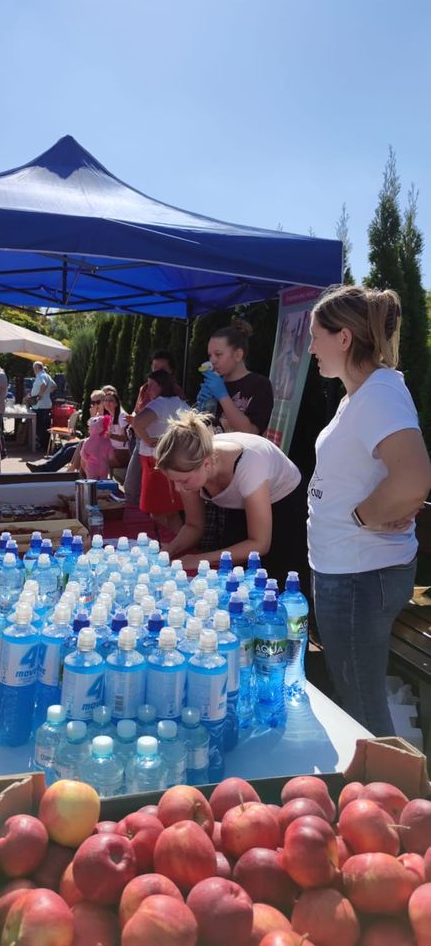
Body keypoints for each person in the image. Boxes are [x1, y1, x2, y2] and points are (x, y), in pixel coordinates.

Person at [307, 284, 431, 736]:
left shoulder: (380, 394)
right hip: (350, 572)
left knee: (360, 703)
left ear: (343, 338)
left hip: (361, 576)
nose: (311, 348)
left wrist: (362, 517)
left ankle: (385, 780)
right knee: (354, 693)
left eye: (316, 336)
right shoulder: (360, 395)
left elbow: (412, 479)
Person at [155, 409, 302, 577]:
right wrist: (170, 550)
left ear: (207, 464)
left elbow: (260, 544)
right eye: (173, 480)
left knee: (275, 576)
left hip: (285, 506)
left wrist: (199, 559)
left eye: (183, 481)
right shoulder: (190, 467)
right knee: (233, 572)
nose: (178, 488)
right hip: (241, 501)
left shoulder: (250, 466)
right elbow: (194, 526)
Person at [130, 369, 190, 531]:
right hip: (174, 461)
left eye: (151, 385)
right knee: (170, 511)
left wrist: (147, 439)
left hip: (155, 462)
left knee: (158, 512)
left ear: (161, 386)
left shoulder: (159, 403)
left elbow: (137, 422)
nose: (148, 390)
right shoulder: (181, 403)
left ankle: (173, 541)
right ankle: (178, 541)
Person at [124, 351, 185, 506]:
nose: (157, 372)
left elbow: (176, 417)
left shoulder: (170, 396)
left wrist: (146, 436)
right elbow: (137, 411)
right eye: (154, 368)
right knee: (136, 487)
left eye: (161, 369)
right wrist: (133, 420)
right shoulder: (145, 388)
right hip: (142, 442)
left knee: (141, 491)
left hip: (155, 447)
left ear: (170, 371)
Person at [197, 319, 273, 435]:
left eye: (218, 354)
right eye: (210, 355)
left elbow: (250, 431)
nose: (212, 360)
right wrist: (201, 407)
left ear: (238, 355)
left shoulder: (260, 385)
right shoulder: (215, 383)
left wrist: (222, 396)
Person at [26, 389, 104, 473]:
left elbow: (95, 435)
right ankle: (45, 468)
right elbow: (91, 433)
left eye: (98, 402)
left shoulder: (105, 417)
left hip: (99, 445)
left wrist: (93, 416)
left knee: (70, 450)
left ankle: (46, 470)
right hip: (92, 442)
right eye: (93, 403)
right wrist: (93, 416)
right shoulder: (98, 415)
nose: (95, 405)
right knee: (67, 445)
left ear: (103, 402)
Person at [24, 362, 55, 452]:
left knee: (40, 427)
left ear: (36, 368)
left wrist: (40, 395)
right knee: (45, 426)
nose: (34, 371)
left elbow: (43, 384)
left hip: (40, 406)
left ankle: (42, 445)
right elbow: (54, 386)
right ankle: (45, 446)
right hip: (46, 404)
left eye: (34, 369)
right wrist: (46, 393)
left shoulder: (40, 375)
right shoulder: (47, 375)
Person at [102, 385, 130, 470]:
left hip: (123, 452)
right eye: (105, 400)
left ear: (116, 403)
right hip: (113, 450)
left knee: (97, 462)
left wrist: (111, 436)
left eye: (111, 400)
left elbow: (125, 438)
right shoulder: (110, 416)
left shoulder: (122, 416)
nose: (107, 403)